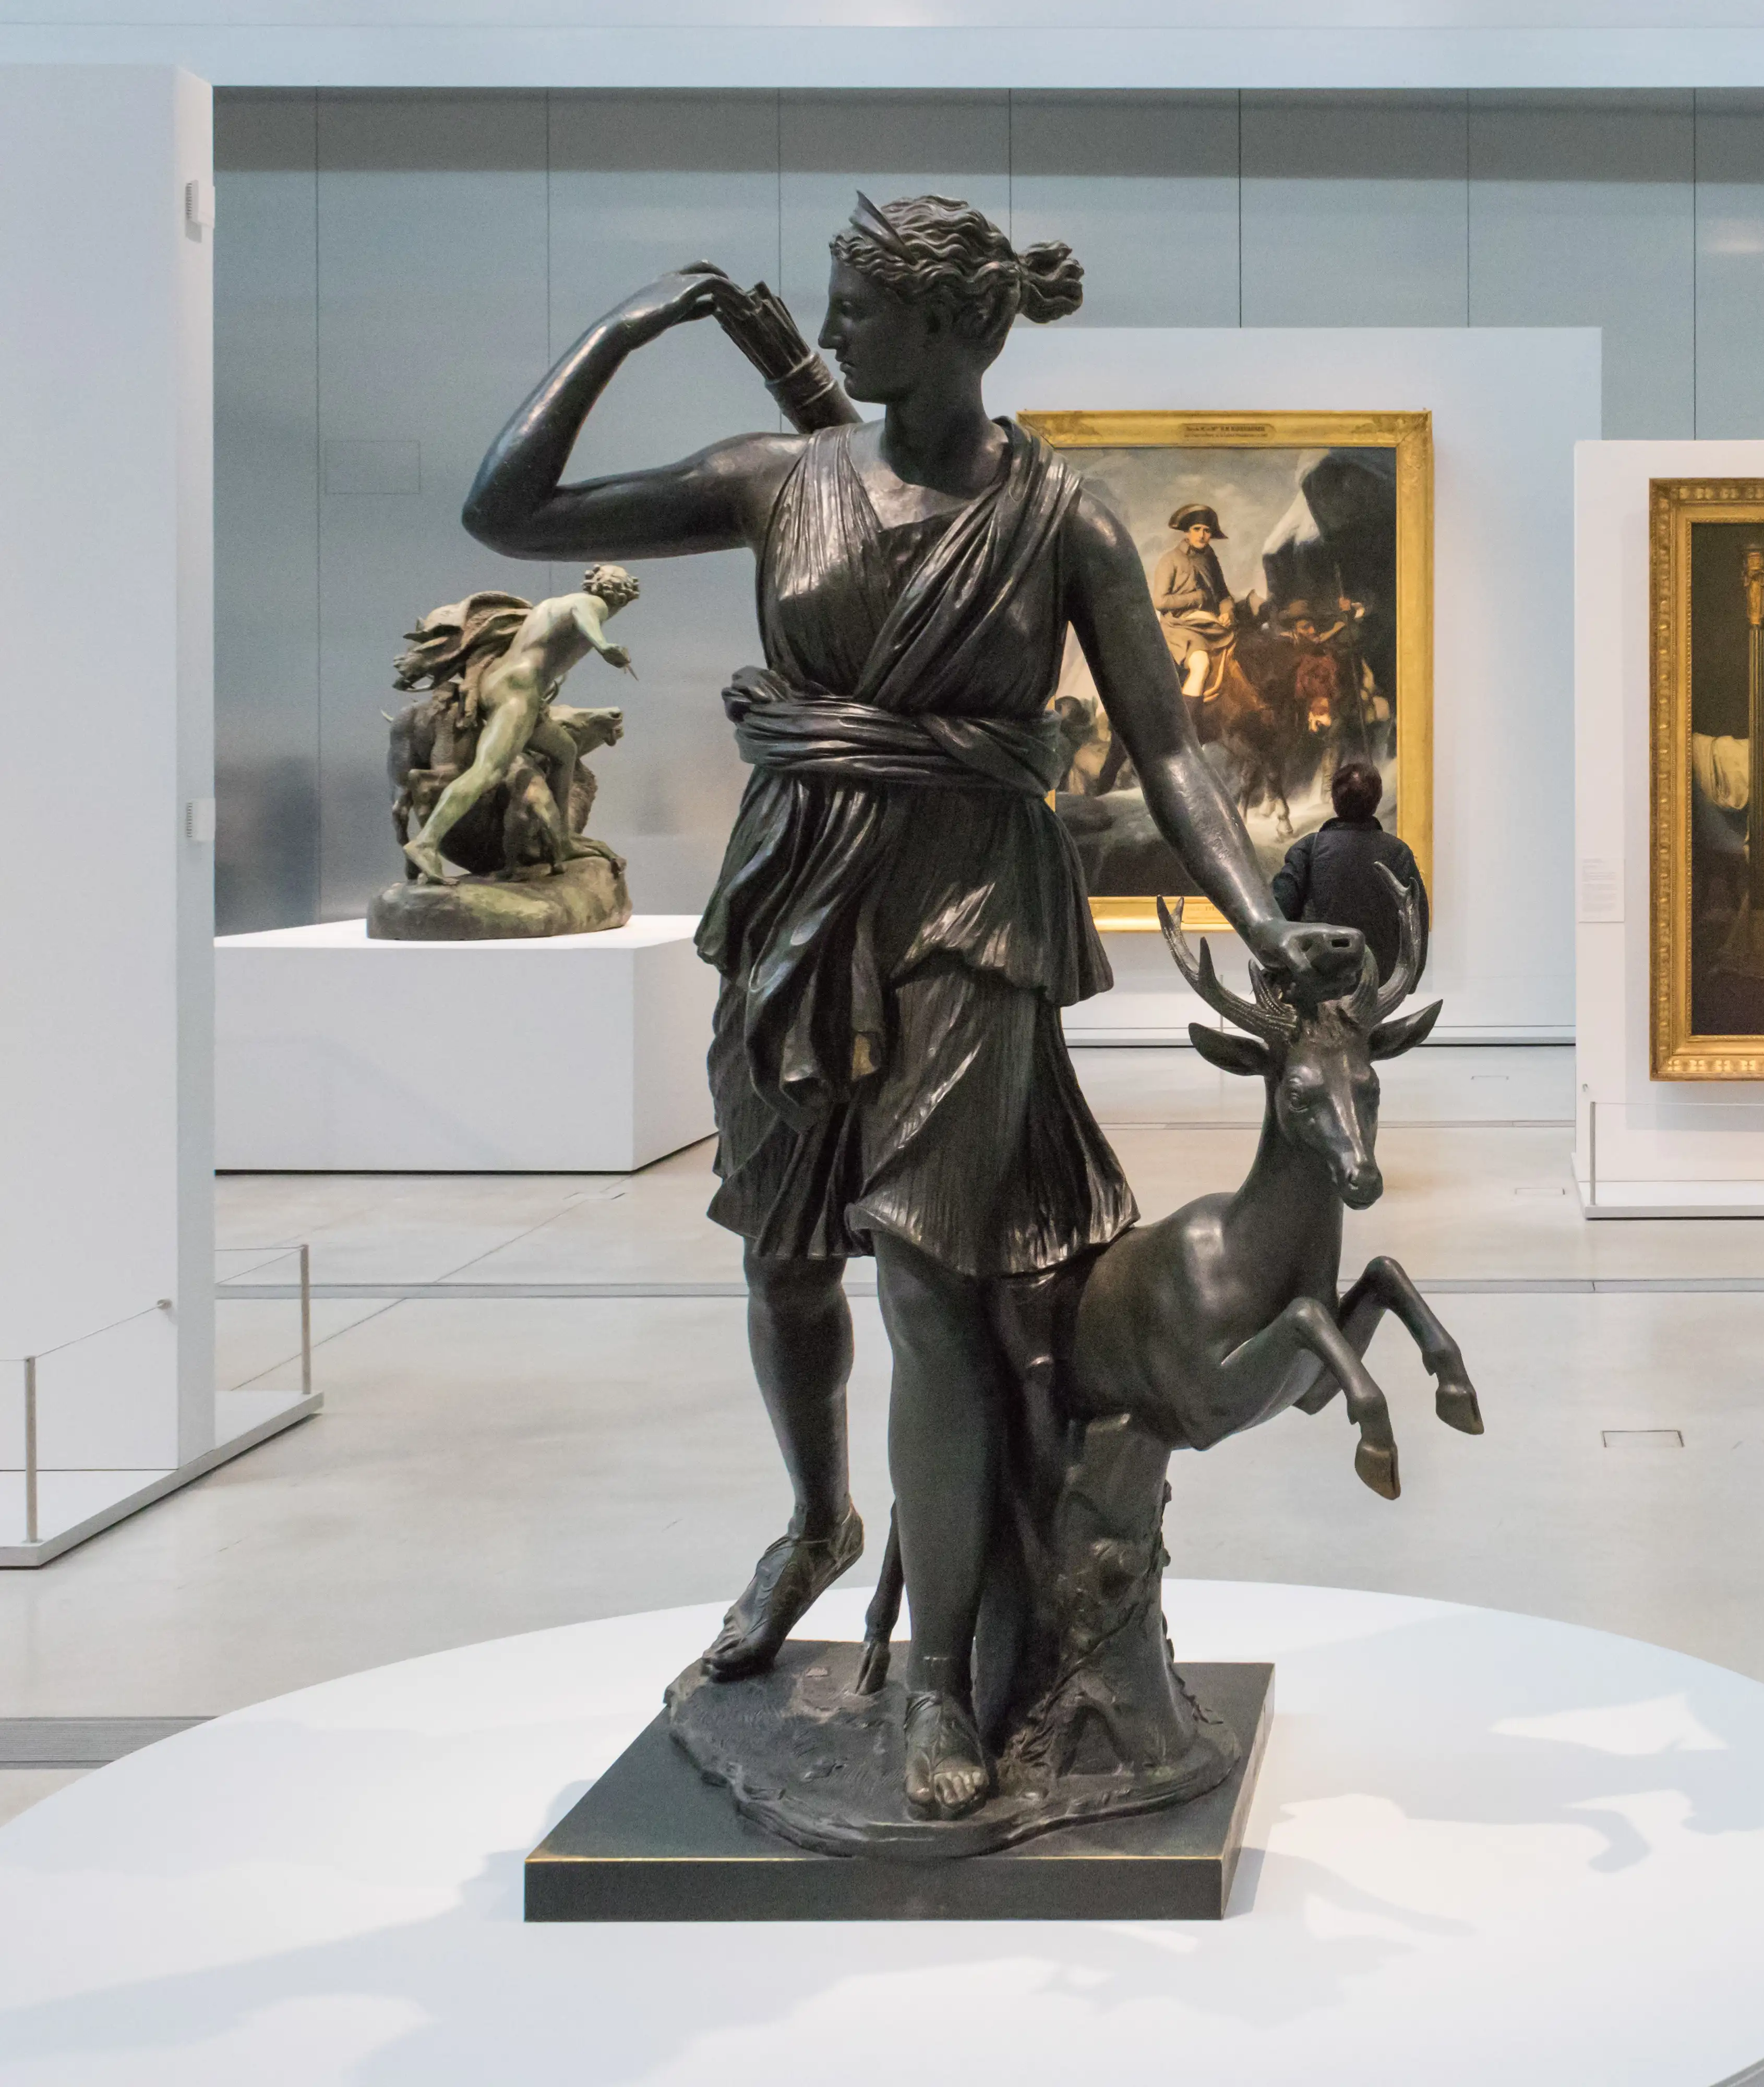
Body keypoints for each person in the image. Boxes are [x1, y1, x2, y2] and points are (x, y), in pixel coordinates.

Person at [461, 193, 1361, 1819]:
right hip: (800, 903)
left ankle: (939, 1675)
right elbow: (506, 510)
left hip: (972, 916)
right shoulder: (775, 479)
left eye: (861, 305)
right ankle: (818, 1520)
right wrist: (626, 329)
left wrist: (1263, 916)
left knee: (933, 1288)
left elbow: (1166, 747)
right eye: (833, 305)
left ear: (953, 327)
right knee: (787, 1256)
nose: (834, 329)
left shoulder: (1060, 516)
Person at [394, 565, 638, 883]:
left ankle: (563, 840)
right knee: (489, 770)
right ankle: (426, 843)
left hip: (502, 683)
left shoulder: (551, 605)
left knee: (565, 751)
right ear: (622, 594)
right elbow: (585, 614)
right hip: (517, 691)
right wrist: (604, 646)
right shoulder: (592, 604)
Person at [1273, 761, 1426, 972]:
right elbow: (1416, 921)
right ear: (1377, 800)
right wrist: (1409, 979)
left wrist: (1283, 974)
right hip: (1379, 984)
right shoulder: (1398, 852)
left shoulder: (1308, 849)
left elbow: (1278, 912)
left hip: (1319, 980)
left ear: (1335, 800)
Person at [1152, 502, 1245, 703]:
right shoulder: (1171, 560)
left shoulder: (1210, 560)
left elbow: (1223, 595)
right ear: (1187, 532)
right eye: (1197, 530)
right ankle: (1188, 727)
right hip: (1179, 627)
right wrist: (1196, 598)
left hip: (1211, 624)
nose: (1202, 535)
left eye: (1207, 531)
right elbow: (1160, 601)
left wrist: (1227, 611)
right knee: (1201, 665)